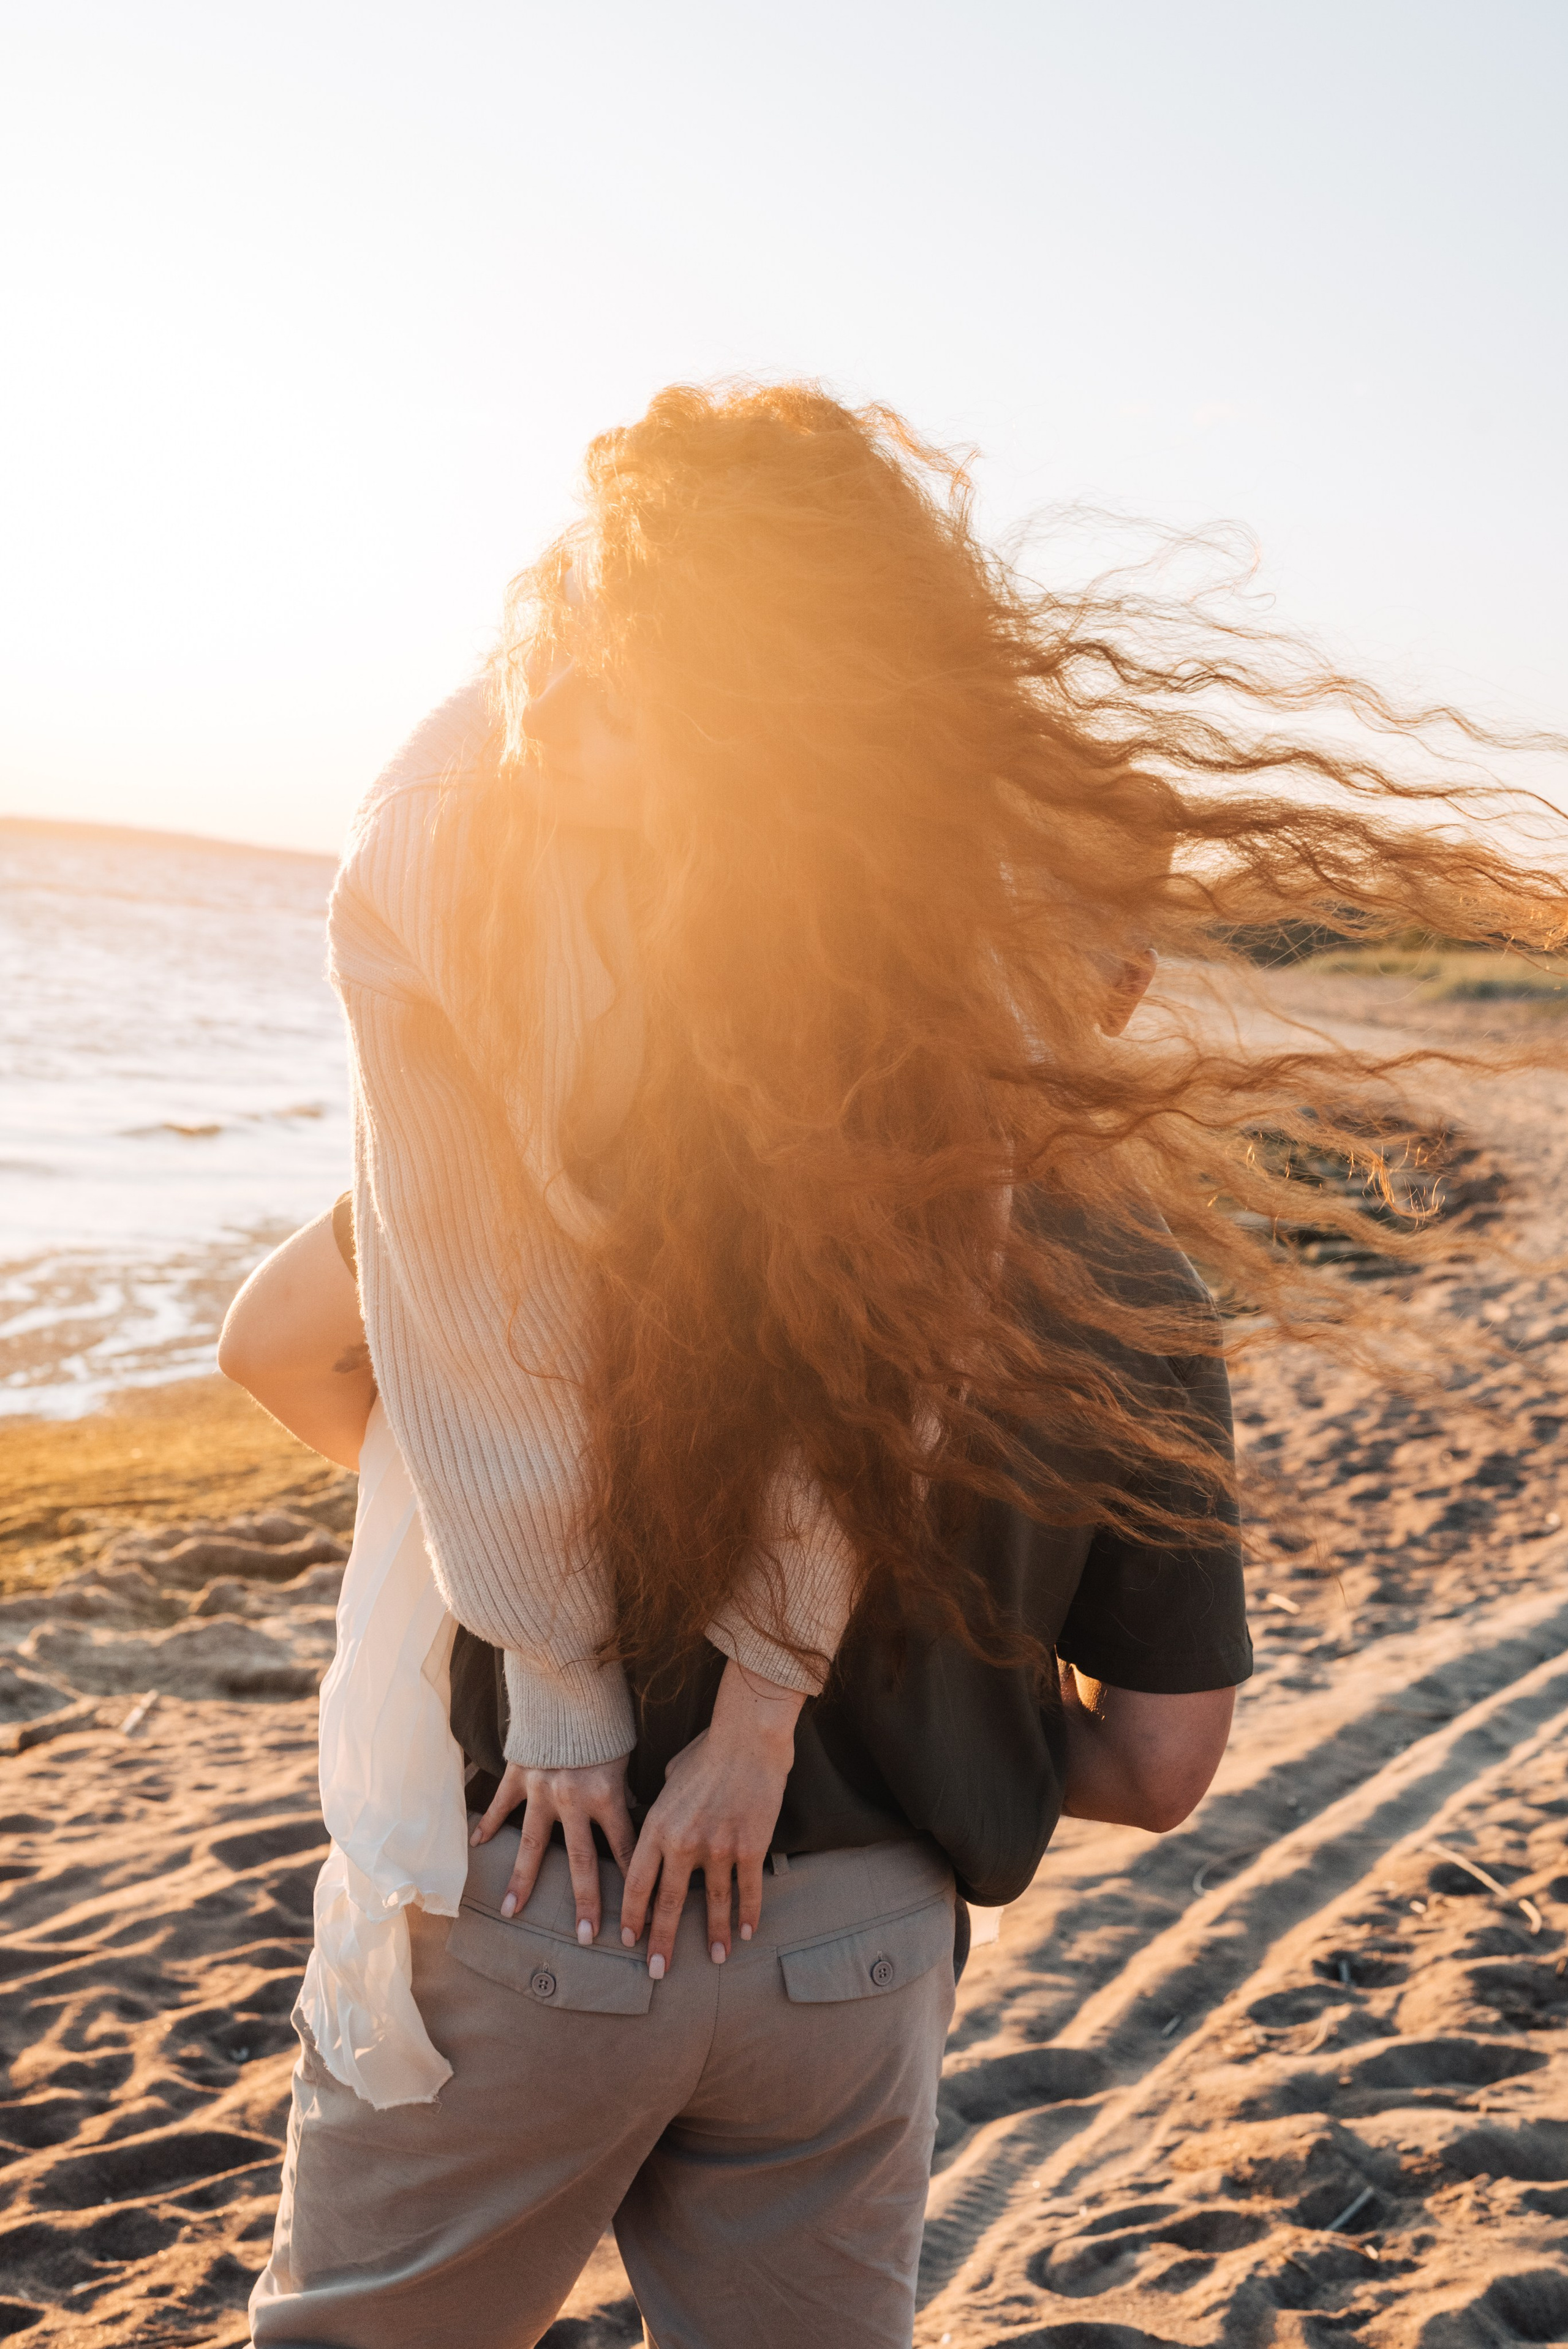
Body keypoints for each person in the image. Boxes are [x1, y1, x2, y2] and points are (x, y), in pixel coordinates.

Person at [221, 382, 1561, 2349]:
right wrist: (923, 1745)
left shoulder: (567, 1089)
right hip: (852, 1948)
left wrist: (506, 1580)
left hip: (543, 1889)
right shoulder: (1122, 1276)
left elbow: (279, 1345)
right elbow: (1168, 1758)